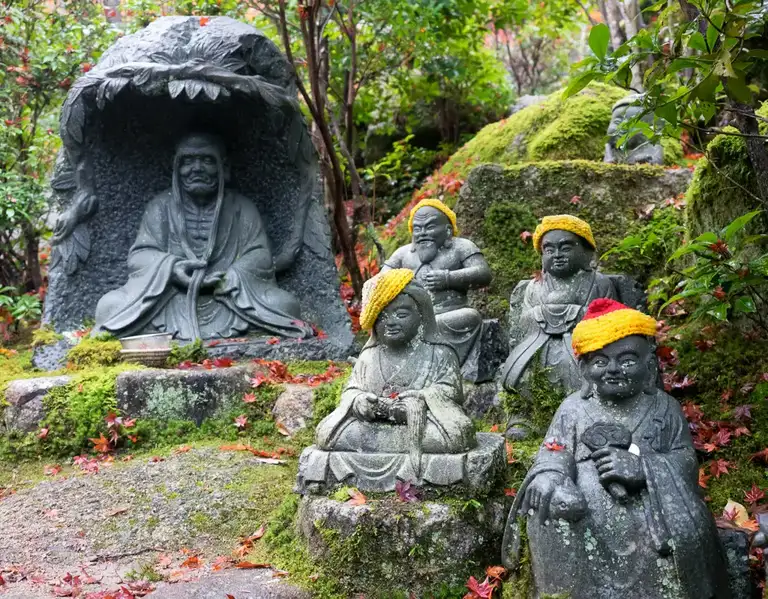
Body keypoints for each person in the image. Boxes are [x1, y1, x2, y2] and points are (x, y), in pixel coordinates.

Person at [501, 298, 731, 599]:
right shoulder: (572, 409)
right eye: (599, 361)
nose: (613, 369)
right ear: (583, 369)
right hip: (583, 510)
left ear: (649, 366)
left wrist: (644, 468)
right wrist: (550, 477)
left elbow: (685, 460)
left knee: (685, 534)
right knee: (547, 511)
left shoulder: (664, 408)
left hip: (652, 508)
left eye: (626, 360)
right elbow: (554, 450)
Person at [94, 132, 313, 341]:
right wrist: (171, 269)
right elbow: (140, 256)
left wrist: (229, 277)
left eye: (207, 160)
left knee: (286, 305)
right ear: (176, 168)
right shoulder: (160, 207)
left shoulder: (241, 208)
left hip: (227, 298)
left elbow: (260, 256)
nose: (196, 169)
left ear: (223, 167)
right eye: (188, 161)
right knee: (108, 306)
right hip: (170, 299)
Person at [311, 269, 476, 488]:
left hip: (421, 426)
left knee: (456, 436)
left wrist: (420, 399)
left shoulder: (439, 353)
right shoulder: (369, 356)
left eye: (402, 314)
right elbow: (352, 390)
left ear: (421, 315)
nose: (391, 322)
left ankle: (391, 452)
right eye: (382, 315)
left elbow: (451, 391)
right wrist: (360, 401)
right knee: (328, 435)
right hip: (374, 426)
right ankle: (393, 451)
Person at [500, 214, 617, 395]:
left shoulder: (599, 283)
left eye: (565, 248)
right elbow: (522, 324)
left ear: (585, 251)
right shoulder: (534, 287)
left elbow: (611, 322)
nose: (557, 255)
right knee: (522, 374)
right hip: (538, 347)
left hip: (584, 349)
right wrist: (541, 313)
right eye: (549, 250)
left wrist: (577, 313)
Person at [382, 199, 492, 373]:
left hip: (448, 315)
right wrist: (404, 285)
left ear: (448, 230)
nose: (423, 233)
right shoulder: (403, 254)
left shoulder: (461, 247)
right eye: (417, 228)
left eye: (430, 227)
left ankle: (441, 367)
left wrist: (448, 278)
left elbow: (484, 273)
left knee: (470, 316)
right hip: (412, 318)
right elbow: (380, 281)